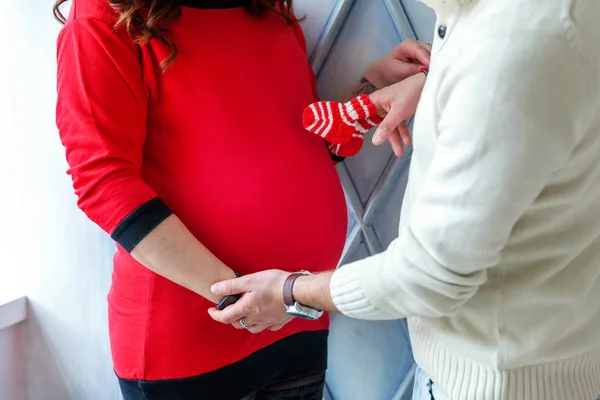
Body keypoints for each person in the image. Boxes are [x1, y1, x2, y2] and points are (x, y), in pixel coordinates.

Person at [209, 0, 600, 399]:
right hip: (497, 363)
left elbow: (431, 274)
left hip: (496, 379)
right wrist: (438, 88)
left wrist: (291, 292)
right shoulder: (500, 24)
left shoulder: (517, 40)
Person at [52, 0, 430, 398]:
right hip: (192, 344)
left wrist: (371, 87)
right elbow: (102, 181)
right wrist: (244, 299)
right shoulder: (101, 17)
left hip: (293, 317)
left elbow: (295, 143)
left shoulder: (267, 6)